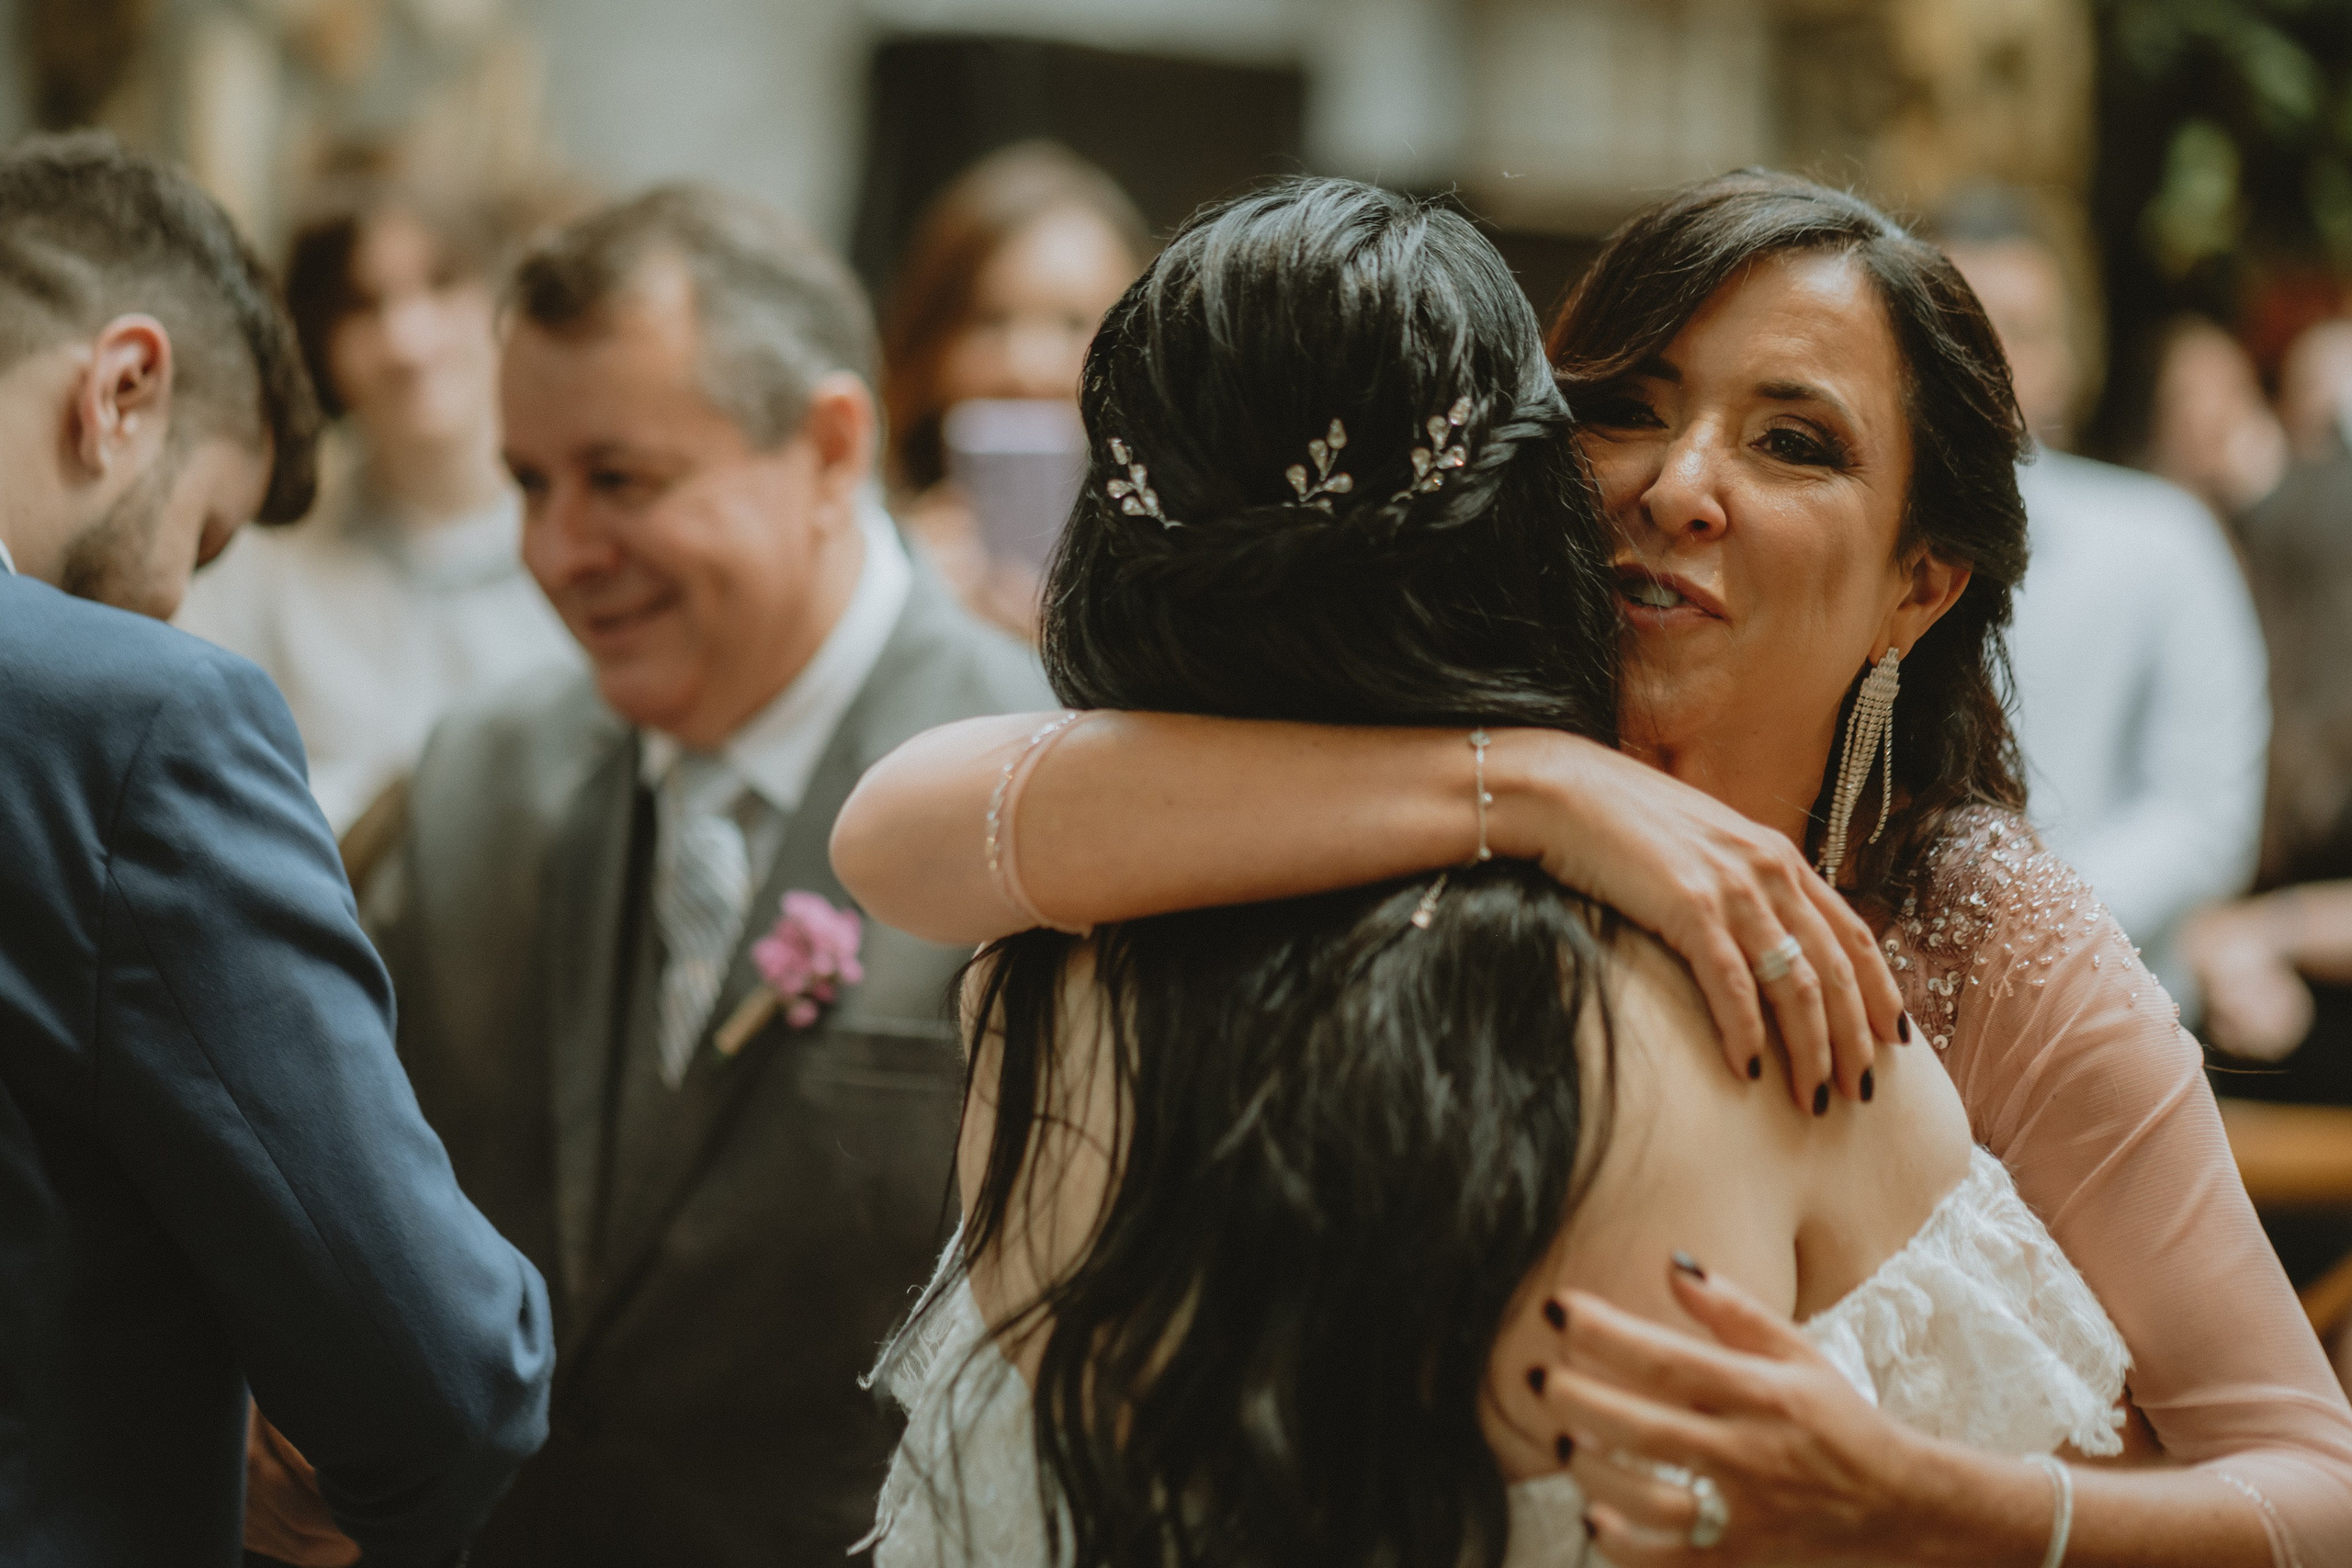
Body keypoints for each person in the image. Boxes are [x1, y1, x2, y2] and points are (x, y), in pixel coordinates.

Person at [834, 170, 2352, 1562]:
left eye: (1793, 442)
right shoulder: (1384, 775)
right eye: (1624, 406)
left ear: (1919, 582)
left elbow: (2315, 1481)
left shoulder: (1972, 925)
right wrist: (1535, 788)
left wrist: (1924, 1497)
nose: (1679, 482)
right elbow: (903, 832)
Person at [360, 183, 1050, 1567]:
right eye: (529, 484)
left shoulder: (1038, 788)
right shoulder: (475, 778)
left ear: (830, 448)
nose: (557, 551)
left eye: (621, 480)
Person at [0, 132, 552, 1566]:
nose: (174, 603)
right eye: (204, 533)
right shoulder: (133, 718)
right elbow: (446, 1379)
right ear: (122, 390)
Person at [1931, 186, 2268, 1006]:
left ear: (2068, 358)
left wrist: (1994, 930)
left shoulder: (2162, 542)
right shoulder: (1840, 543)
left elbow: (2203, 817)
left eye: (2020, 329)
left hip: (2099, 1006)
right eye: (1954, 327)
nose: (1987, 357)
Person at [177, 164, 578, 836]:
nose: (407, 340)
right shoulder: (259, 550)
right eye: (363, 305)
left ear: (508, 301)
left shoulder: (593, 530)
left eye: (442, 285)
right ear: (317, 336)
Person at [879, 141, 1149, 637]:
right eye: (990, 320)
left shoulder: (1175, 573)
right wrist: (897, 599)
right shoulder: (868, 555)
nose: (1027, 368)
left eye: (1073, 323)